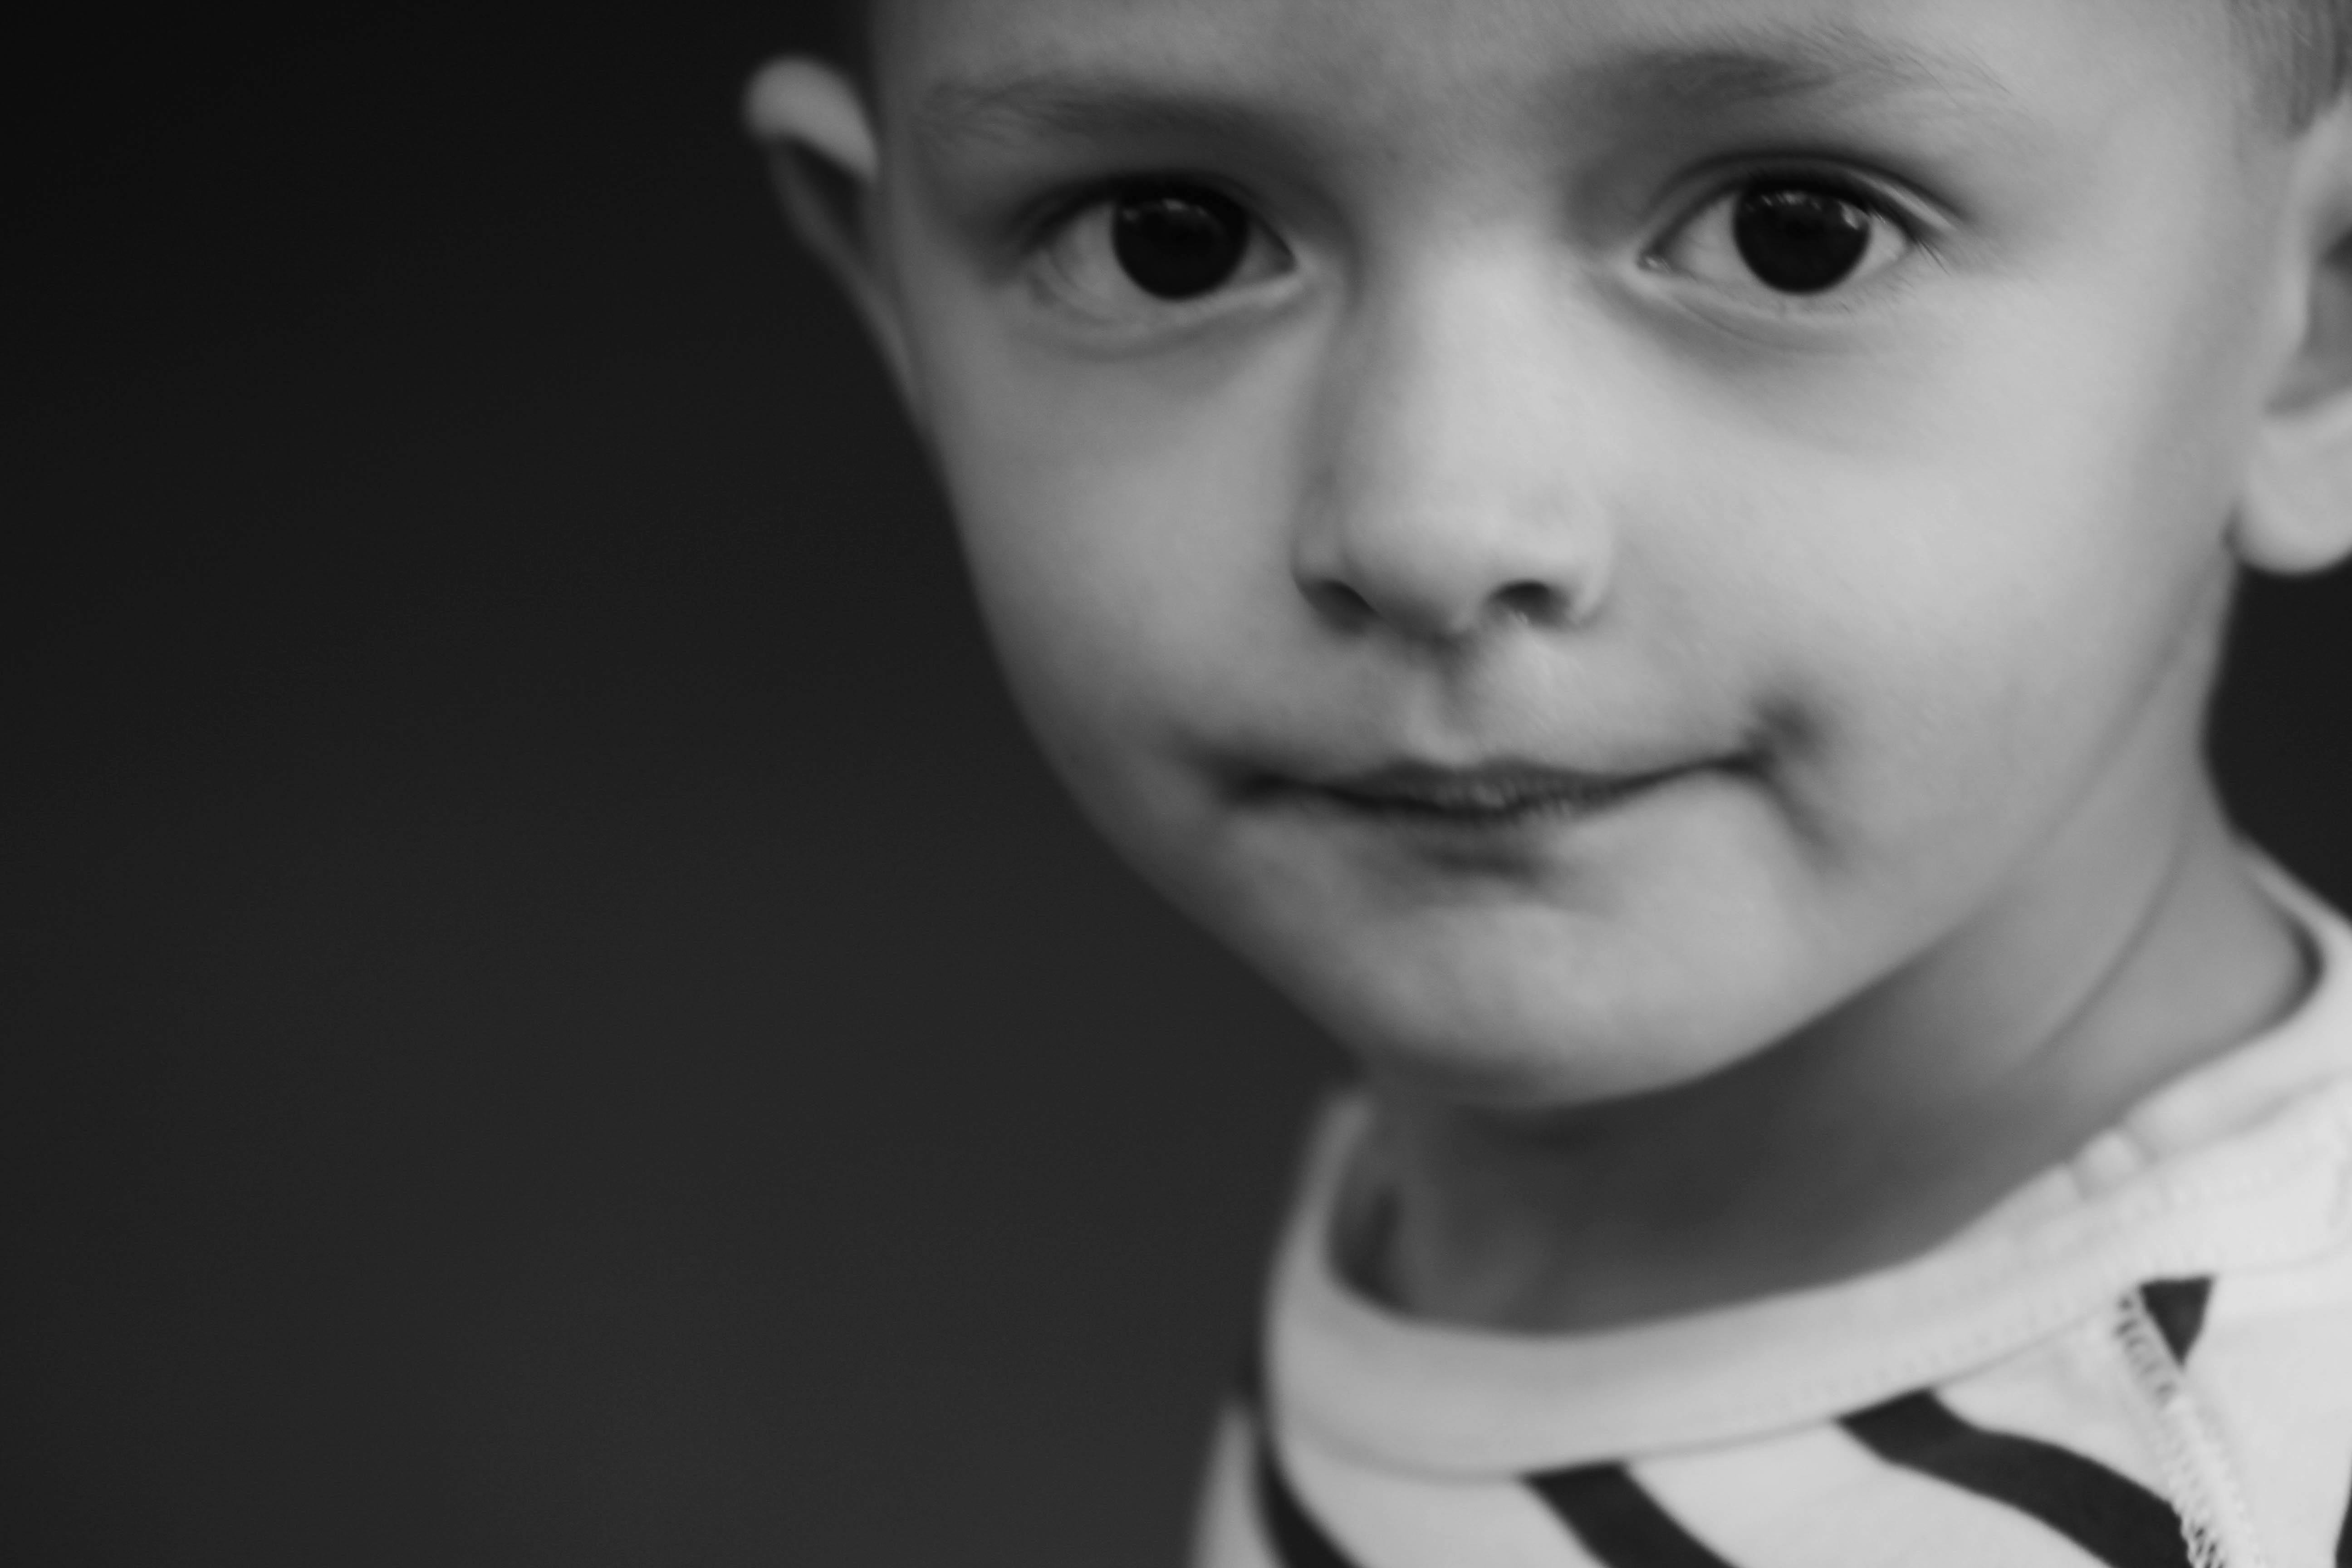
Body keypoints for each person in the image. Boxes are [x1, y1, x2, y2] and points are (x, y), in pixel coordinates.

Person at [745, 0, 2352, 1561]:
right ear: (893, 293)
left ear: (2321, 321)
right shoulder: (1492, 1212)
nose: (1426, 522)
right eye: (1175, 236)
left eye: (1799, 232)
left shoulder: (2229, 1497)